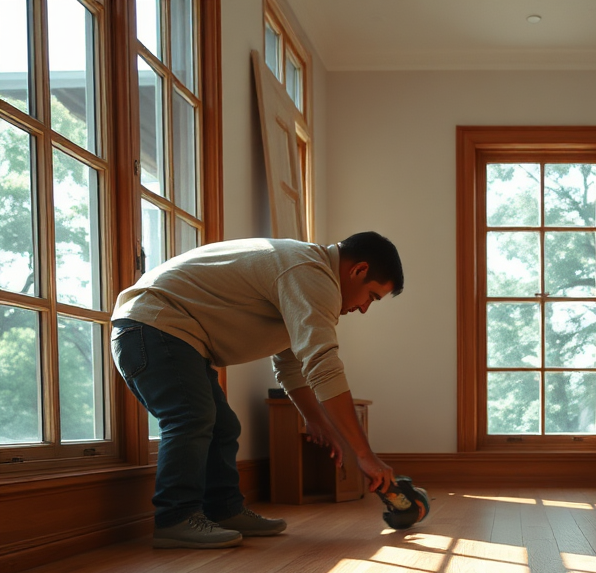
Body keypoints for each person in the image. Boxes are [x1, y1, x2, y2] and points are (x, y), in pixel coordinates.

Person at [110, 231, 400, 549]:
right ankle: (175, 517)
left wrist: (315, 419)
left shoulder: (306, 274)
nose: (363, 309)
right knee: (191, 417)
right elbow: (323, 365)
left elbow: (291, 363)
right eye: (371, 297)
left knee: (223, 426)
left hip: (168, 334)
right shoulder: (310, 273)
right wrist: (365, 454)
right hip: (151, 327)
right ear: (357, 270)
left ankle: (224, 510)